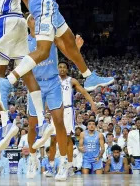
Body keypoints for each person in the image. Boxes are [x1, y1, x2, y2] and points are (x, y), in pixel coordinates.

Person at [0, 0, 46, 150]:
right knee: (27, 73)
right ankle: (42, 120)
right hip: (18, 25)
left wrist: (36, 15)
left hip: (6, 22)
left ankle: (6, 124)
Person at [25, 13, 70, 180]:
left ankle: (63, 162)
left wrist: (76, 49)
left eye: (38, 17)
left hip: (52, 83)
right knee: (32, 125)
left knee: (58, 122)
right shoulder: (24, 42)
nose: (36, 20)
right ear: (28, 22)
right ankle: (32, 157)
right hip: (35, 83)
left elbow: (66, 49)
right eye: (32, 18)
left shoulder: (50, 36)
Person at [47, 37, 98, 177]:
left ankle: (69, 166)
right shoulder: (53, 79)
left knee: (68, 139)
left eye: (64, 67)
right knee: (53, 140)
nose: (62, 69)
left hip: (68, 111)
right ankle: (51, 167)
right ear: (57, 69)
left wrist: (92, 103)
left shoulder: (72, 80)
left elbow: (84, 92)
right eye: (60, 67)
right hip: (55, 110)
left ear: (67, 70)